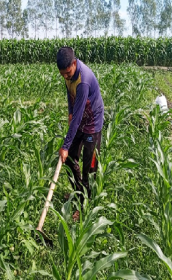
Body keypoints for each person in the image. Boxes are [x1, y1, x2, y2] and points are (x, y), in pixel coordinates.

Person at [57, 47, 104, 221]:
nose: (65, 77)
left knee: (89, 167)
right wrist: (69, 112)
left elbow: (77, 118)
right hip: (80, 118)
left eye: (68, 73)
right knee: (70, 160)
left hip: (92, 125)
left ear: (74, 64)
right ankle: (78, 193)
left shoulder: (83, 81)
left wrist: (65, 145)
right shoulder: (68, 76)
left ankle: (85, 206)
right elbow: (71, 97)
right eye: (62, 74)